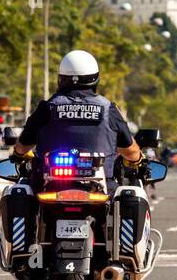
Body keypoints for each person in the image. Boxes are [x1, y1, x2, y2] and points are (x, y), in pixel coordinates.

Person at [12, 50, 142, 184]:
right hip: (101, 189)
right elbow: (131, 151)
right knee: (132, 193)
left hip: (46, 186)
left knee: (20, 190)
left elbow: (23, 146)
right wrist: (136, 160)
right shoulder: (108, 109)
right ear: (95, 79)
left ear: (61, 78)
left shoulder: (47, 108)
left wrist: (18, 154)